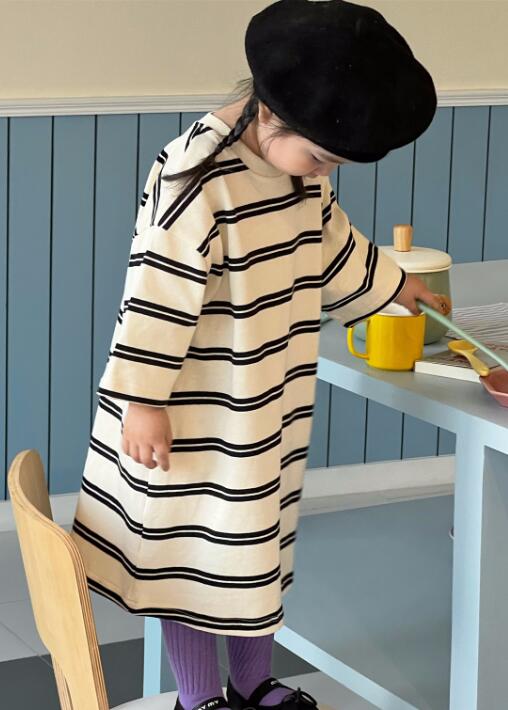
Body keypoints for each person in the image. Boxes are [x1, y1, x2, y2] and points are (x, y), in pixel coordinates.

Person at [70, 2, 450, 709]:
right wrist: (143, 401)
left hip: (264, 403)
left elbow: (334, 243)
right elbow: (154, 294)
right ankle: (196, 699)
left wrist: (397, 287)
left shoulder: (299, 175)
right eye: (323, 156)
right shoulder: (196, 179)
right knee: (191, 561)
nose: (325, 171)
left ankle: (251, 686)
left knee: (252, 551)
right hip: (188, 416)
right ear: (270, 112)